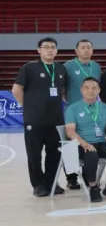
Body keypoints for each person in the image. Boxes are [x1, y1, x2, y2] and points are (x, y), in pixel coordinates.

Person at [12, 37, 68, 196]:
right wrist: (28, 107)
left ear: (57, 50)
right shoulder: (29, 68)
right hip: (34, 120)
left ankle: (51, 183)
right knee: (34, 155)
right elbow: (16, 89)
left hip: (56, 120)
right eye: (46, 47)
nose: (50, 50)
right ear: (39, 50)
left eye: (53, 47)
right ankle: (38, 185)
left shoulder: (61, 69)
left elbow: (63, 92)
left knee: (54, 154)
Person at [64, 77, 106, 203]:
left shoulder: (104, 107)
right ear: (81, 90)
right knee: (91, 154)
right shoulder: (72, 108)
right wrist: (84, 144)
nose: (90, 91)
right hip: (81, 144)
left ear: (99, 90)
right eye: (87, 88)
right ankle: (93, 187)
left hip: (102, 142)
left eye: (94, 88)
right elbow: (70, 131)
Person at [63, 39, 103, 189]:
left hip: (92, 111)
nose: (86, 50)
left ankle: (89, 177)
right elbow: (62, 89)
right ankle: (72, 178)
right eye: (83, 47)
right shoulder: (68, 66)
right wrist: (72, 103)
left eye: (89, 47)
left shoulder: (96, 66)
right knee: (70, 144)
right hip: (73, 110)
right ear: (76, 51)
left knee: (91, 143)